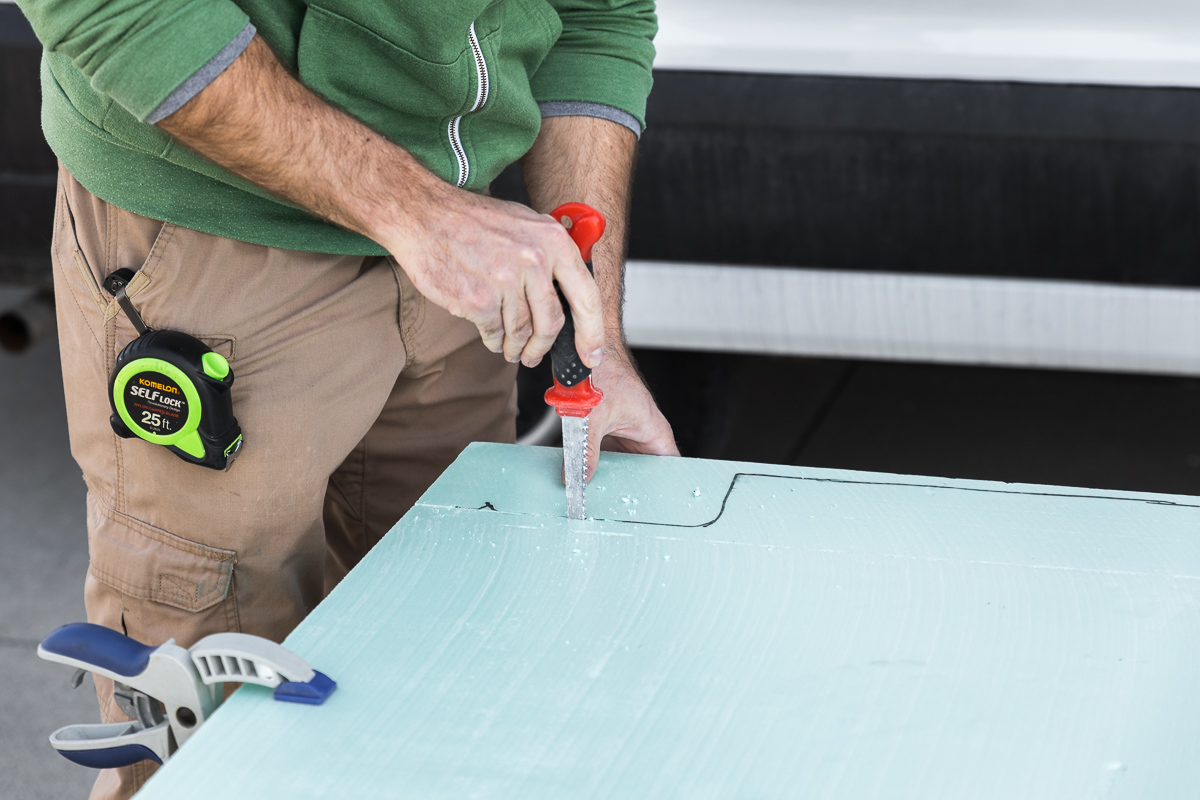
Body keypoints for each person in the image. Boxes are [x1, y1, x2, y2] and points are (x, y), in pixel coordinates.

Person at [15, 1, 679, 796]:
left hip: (462, 262)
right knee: (207, 742)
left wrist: (592, 342)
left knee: (442, 674)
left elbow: (596, 15)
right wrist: (418, 213)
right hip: (215, 229)